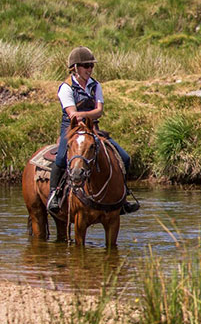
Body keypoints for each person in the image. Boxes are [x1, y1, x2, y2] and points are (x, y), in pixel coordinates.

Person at [47, 47, 136, 215]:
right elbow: (73, 115)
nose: (89, 69)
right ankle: (55, 195)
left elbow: (99, 111)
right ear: (75, 67)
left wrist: (84, 115)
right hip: (71, 130)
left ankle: (123, 197)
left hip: (93, 129)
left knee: (124, 157)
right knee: (60, 158)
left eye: (91, 66)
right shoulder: (65, 88)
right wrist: (86, 115)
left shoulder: (96, 86)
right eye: (85, 65)